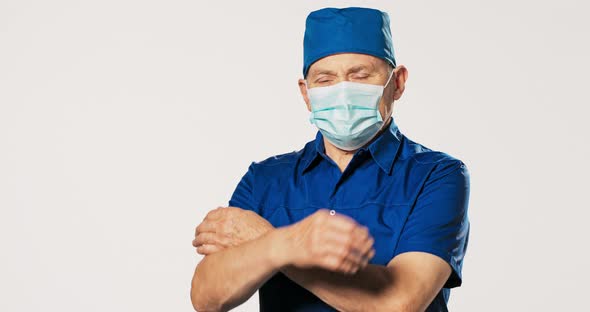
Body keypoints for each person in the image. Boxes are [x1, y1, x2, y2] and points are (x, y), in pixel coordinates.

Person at [190, 7, 470, 312]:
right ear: (306, 93)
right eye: (325, 80)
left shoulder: (436, 175)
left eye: (360, 76)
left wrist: (271, 242)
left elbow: (398, 303)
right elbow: (206, 296)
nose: (343, 92)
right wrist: (281, 245)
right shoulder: (265, 180)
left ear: (398, 82)